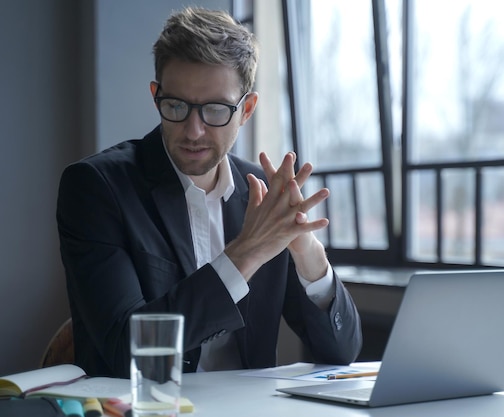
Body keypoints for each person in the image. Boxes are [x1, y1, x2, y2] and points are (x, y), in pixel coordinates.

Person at [56, 7, 362, 378]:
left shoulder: (265, 198)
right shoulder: (97, 188)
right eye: (176, 106)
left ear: (246, 109)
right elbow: (127, 351)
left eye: (215, 110)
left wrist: (311, 257)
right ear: (156, 97)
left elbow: (342, 353)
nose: (194, 130)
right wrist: (246, 253)